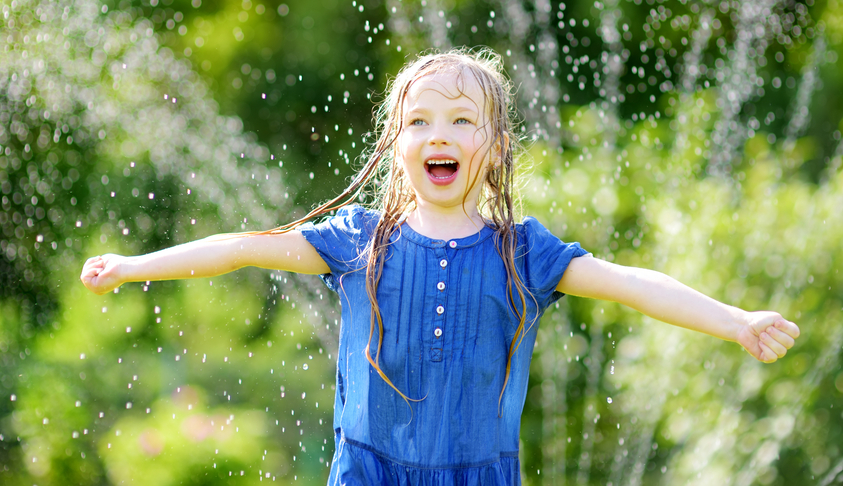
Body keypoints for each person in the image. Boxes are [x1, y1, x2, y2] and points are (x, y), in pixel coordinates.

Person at [80, 48, 800, 485]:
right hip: (368, 470)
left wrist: (735, 320)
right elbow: (240, 246)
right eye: (419, 121)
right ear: (397, 145)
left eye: (461, 120)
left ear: (495, 145)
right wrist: (136, 262)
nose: (439, 134)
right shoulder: (357, 240)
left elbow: (630, 283)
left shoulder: (525, 252)